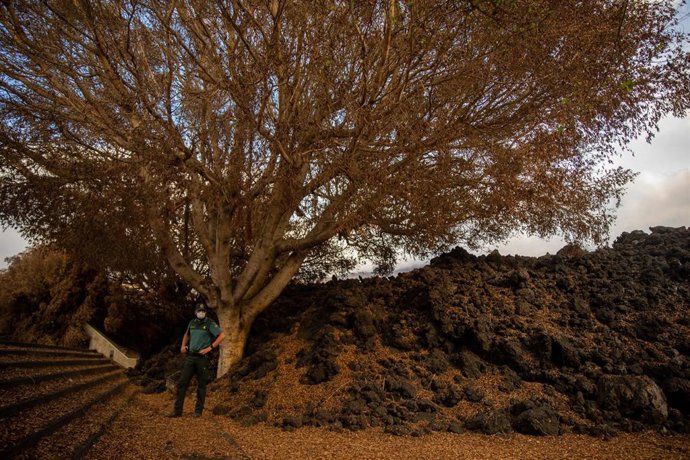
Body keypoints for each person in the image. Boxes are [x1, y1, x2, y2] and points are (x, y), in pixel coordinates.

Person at [167, 303, 225, 417]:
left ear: (205, 312)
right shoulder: (192, 323)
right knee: (182, 383)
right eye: (199, 311)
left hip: (202, 359)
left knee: (201, 385)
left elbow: (222, 335)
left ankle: (198, 411)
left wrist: (210, 348)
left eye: (203, 311)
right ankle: (177, 411)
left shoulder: (209, 323)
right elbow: (186, 334)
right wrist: (183, 346)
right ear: (195, 312)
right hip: (190, 357)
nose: (201, 312)